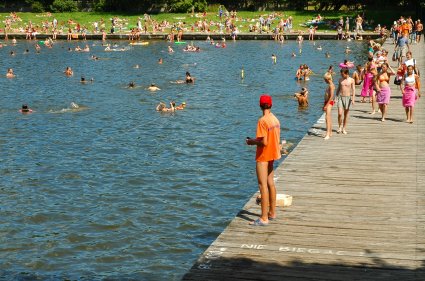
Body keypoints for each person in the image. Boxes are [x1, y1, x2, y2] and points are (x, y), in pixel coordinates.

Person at [246, 95, 281, 226]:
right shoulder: (275, 119)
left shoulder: (262, 121)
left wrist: (250, 141)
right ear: (271, 105)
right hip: (273, 154)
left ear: (260, 106)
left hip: (263, 156)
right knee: (270, 183)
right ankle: (272, 213)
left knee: (262, 185)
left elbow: (264, 142)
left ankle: (263, 218)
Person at [336, 68, 355, 134]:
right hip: (340, 97)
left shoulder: (351, 80)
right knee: (340, 113)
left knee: (346, 114)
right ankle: (339, 127)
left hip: (348, 98)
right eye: (341, 74)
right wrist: (335, 97)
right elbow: (338, 88)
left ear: (347, 73)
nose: (341, 75)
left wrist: (353, 99)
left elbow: (353, 90)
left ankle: (344, 128)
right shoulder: (340, 79)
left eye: (342, 74)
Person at [323, 73, 335, 140]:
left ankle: (327, 134)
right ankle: (330, 132)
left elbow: (331, 96)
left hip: (329, 102)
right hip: (327, 102)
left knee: (327, 117)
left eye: (325, 79)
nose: (324, 80)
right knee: (328, 117)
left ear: (327, 79)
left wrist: (326, 105)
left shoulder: (331, 85)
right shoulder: (329, 85)